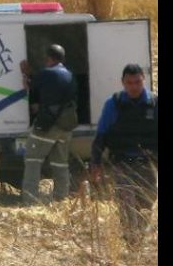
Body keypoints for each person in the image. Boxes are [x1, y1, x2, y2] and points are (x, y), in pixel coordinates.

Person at [91, 63, 158, 246]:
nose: (134, 87)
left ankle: (138, 240)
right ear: (123, 83)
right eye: (130, 83)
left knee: (145, 205)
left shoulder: (154, 103)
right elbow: (101, 135)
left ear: (144, 80)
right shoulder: (114, 104)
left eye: (138, 82)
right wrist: (95, 163)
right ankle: (131, 242)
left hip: (148, 164)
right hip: (122, 163)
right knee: (126, 205)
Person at [20, 44, 78, 204]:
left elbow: (28, 86)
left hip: (48, 125)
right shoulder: (70, 75)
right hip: (66, 127)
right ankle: (61, 199)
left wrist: (25, 73)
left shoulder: (46, 73)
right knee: (60, 164)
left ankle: (30, 200)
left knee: (33, 160)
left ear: (48, 58)